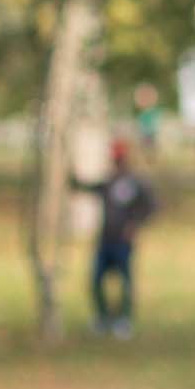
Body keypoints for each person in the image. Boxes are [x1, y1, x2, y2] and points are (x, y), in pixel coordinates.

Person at [72, 138, 157, 336]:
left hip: (123, 242)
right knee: (96, 280)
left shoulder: (136, 182)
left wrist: (135, 225)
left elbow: (151, 207)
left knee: (125, 282)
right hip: (105, 241)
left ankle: (123, 319)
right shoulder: (108, 182)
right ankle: (103, 317)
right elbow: (88, 187)